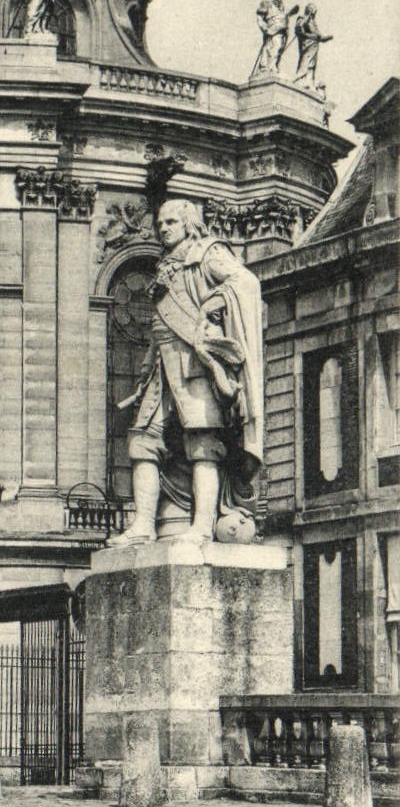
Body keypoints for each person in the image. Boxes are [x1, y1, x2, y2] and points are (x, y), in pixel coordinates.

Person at [109, 198, 263, 546]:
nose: (163, 228)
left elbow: (245, 283)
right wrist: (145, 373)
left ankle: (202, 527)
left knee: (203, 444)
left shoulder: (208, 253)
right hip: (163, 367)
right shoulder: (167, 265)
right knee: (142, 441)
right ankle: (143, 525)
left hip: (196, 366)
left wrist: (213, 303)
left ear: (189, 224)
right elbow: (159, 329)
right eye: (161, 223)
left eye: (171, 222)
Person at [294, 3, 332, 89]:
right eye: (312, 9)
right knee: (305, 61)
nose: (314, 12)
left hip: (314, 45)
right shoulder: (303, 18)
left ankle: (308, 82)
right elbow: (298, 28)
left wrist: (326, 38)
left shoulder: (313, 23)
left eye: (315, 10)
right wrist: (307, 17)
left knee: (312, 64)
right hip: (307, 44)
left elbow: (319, 36)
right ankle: (299, 80)